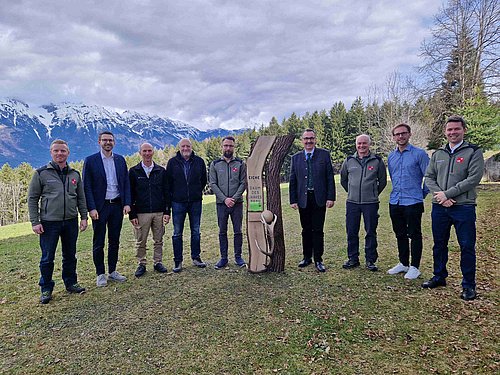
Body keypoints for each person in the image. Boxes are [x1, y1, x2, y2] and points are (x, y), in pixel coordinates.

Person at [423, 115, 484, 301]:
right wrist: (441, 197)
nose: (452, 132)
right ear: (445, 132)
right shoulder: (438, 154)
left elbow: (473, 179)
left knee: (466, 246)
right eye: (449, 130)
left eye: (456, 129)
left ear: (463, 130)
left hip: (463, 207)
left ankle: (468, 285)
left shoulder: (473, 152)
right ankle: (439, 276)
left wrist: (448, 194)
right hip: (440, 207)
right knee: (439, 244)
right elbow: (429, 178)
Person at [28, 139, 88, 304]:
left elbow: (81, 198)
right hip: (49, 223)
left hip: (70, 221)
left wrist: (84, 217)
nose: (59, 153)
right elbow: (32, 199)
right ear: (51, 153)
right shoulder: (41, 174)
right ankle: (46, 288)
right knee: (47, 257)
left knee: (70, 255)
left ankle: (71, 283)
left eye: (63, 151)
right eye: (56, 151)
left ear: (68, 153)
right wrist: (35, 221)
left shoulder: (75, 174)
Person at [83, 131, 131, 287]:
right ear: (99, 142)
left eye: (110, 140)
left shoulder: (120, 160)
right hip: (100, 207)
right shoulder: (91, 161)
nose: (107, 143)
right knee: (98, 241)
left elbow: (125, 183)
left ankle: (112, 271)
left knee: (114, 240)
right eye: (104, 140)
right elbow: (87, 186)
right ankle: (100, 274)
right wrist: (91, 208)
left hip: (117, 205)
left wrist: (126, 203)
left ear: (114, 142)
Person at [387, 124, 430, 279]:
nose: (400, 137)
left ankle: (415, 266)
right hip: (395, 201)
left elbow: (429, 176)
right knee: (400, 234)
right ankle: (403, 263)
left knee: (415, 234)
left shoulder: (419, 154)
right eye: (397, 134)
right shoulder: (391, 157)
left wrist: (422, 193)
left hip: (413, 202)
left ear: (409, 134)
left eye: (403, 133)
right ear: (393, 137)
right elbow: (393, 176)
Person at [289, 129, 335, 272]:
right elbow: (293, 180)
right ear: (302, 141)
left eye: (311, 138)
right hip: (303, 199)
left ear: (315, 139)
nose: (309, 141)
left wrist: (330, 197)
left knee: (318, 230)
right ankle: (307, 257)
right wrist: (293, 199)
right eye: (306, 138)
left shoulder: (324, 155)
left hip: (319, 198)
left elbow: (329, 178)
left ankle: (318, 259)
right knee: (306, 229)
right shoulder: (295, 158)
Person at [340, 134, 387, 272]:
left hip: (370, 203)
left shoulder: (377, 161)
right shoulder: (349, 160)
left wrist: (372, 193)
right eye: (359, 143)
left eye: (364, 143)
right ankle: (353, 259)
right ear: (356, 145)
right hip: (352, 203)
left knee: (370, 231)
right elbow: (343, 179)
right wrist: (352, 192)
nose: (361, 146)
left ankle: (370, 260)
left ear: (369, 144)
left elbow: (382, 182)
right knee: (351, 231)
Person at [165, 138, 207, 273]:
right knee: (177, 233)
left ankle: (196, 257)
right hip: (177, 202)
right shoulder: (172, 163)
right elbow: (168, 183)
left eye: (187, 146)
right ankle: (178, 261)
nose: (185, 149)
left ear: (191, 147)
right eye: (183, 146)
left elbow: (203, 180)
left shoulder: (199, 161)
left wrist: (194, 192)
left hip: (195, 202)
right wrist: (175, 196)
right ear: (179, 148)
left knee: (196, 231)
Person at [129, 143, 169, 277]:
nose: (147, 153)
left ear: (153, 152)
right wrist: (132, 214)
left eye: (149, 151)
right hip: (141, 212)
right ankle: (141, 264)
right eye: (144, 151)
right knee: (141, 240)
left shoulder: (161, 171)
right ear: (140, 153)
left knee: (159, 239)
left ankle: (158, 262)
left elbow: (166, 192)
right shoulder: (134, 171)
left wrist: (167, 211)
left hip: (158, 211)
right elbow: (130, 194)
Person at [209, 136, 247, 269]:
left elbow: (243, 183)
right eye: (226, 146)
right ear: (222, 147)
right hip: (221, 204)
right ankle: (223, 258)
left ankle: (238, 257)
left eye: (230, 146)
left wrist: (234, 199)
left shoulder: (240, 164)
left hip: (237, 204)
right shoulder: (215, 164)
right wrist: (225, 199)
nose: (228, 148)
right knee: (222, 231)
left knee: (238, 231)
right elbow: (213, 183)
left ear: (234, 147)